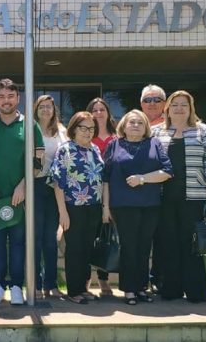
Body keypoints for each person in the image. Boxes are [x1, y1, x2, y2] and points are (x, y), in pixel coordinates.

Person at [152, 90, 206, 302]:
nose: (179, 108)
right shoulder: (157, 132)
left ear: (191, 108)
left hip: (194, 195)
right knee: (168, 242)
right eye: (175, 105)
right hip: (164, 197)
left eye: (184, 104)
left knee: (191, 243)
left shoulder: (204, 131)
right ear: (167, 109)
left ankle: (196, 292)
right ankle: (170, 289)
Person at [0, 78, 43, 306]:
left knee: (18, 242)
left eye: (10, 96)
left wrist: (24, 185)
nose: (6, 101)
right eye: (1, 97)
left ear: (18, 98)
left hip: (20, 197)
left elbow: (38, 160)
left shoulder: (30, 125)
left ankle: (16, 285)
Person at [101, 110, 172, 305]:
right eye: (132, 122)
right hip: (123, 206)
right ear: (123, 125)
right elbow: (105, 178)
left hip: (150, 205)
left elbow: (167, 172)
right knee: (129, 247)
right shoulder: (114, 144)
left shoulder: (154, 144)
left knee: (143, 247)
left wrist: (142, 179)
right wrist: (105, 207)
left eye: (140, 123)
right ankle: (129, 290)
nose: (136, 125)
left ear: (146, 127)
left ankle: (141, 288)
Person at [49, 111, 104, 304]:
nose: (88, 132)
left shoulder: (95, 149)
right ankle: (73, 291)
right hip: (73, 207)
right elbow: (58, 183)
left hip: (94, 207)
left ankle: (84, 287)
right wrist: (62, 213)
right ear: (74, 128)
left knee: (87, 249)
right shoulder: (67, 149)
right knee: (74, 249)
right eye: (83, 128)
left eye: (91, 128)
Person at [33, 95, 67, 299]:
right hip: (35, 184)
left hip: (55, 188)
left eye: (49, 107)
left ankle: (51, 284)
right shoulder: (30, 130)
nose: (46, 110)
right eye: (42, 107)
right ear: (36, 110)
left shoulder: (61, 131)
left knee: (51, 239)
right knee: (35, 237)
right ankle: (35, 284)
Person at [85, 97, 115, 297]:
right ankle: (85, 280)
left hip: (113, 194)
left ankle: (104, 281)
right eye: (94, 110)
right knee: (88, 239)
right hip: (89, 195)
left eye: (101, 109)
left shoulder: (116, 136)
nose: (98, 113)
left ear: (107, 112)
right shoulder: (86, 135)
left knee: (106, 237)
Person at [139, 84, 167, 293]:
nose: (152, 103)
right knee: (142, 241)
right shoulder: (135, 126)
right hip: (142, 195)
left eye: (156, 99)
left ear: (164, 104)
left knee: (165, 241)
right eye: (148, 100)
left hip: (169, 194)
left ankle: (160, 279)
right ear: (141, 104)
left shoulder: (171, 127)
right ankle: (142, 281)